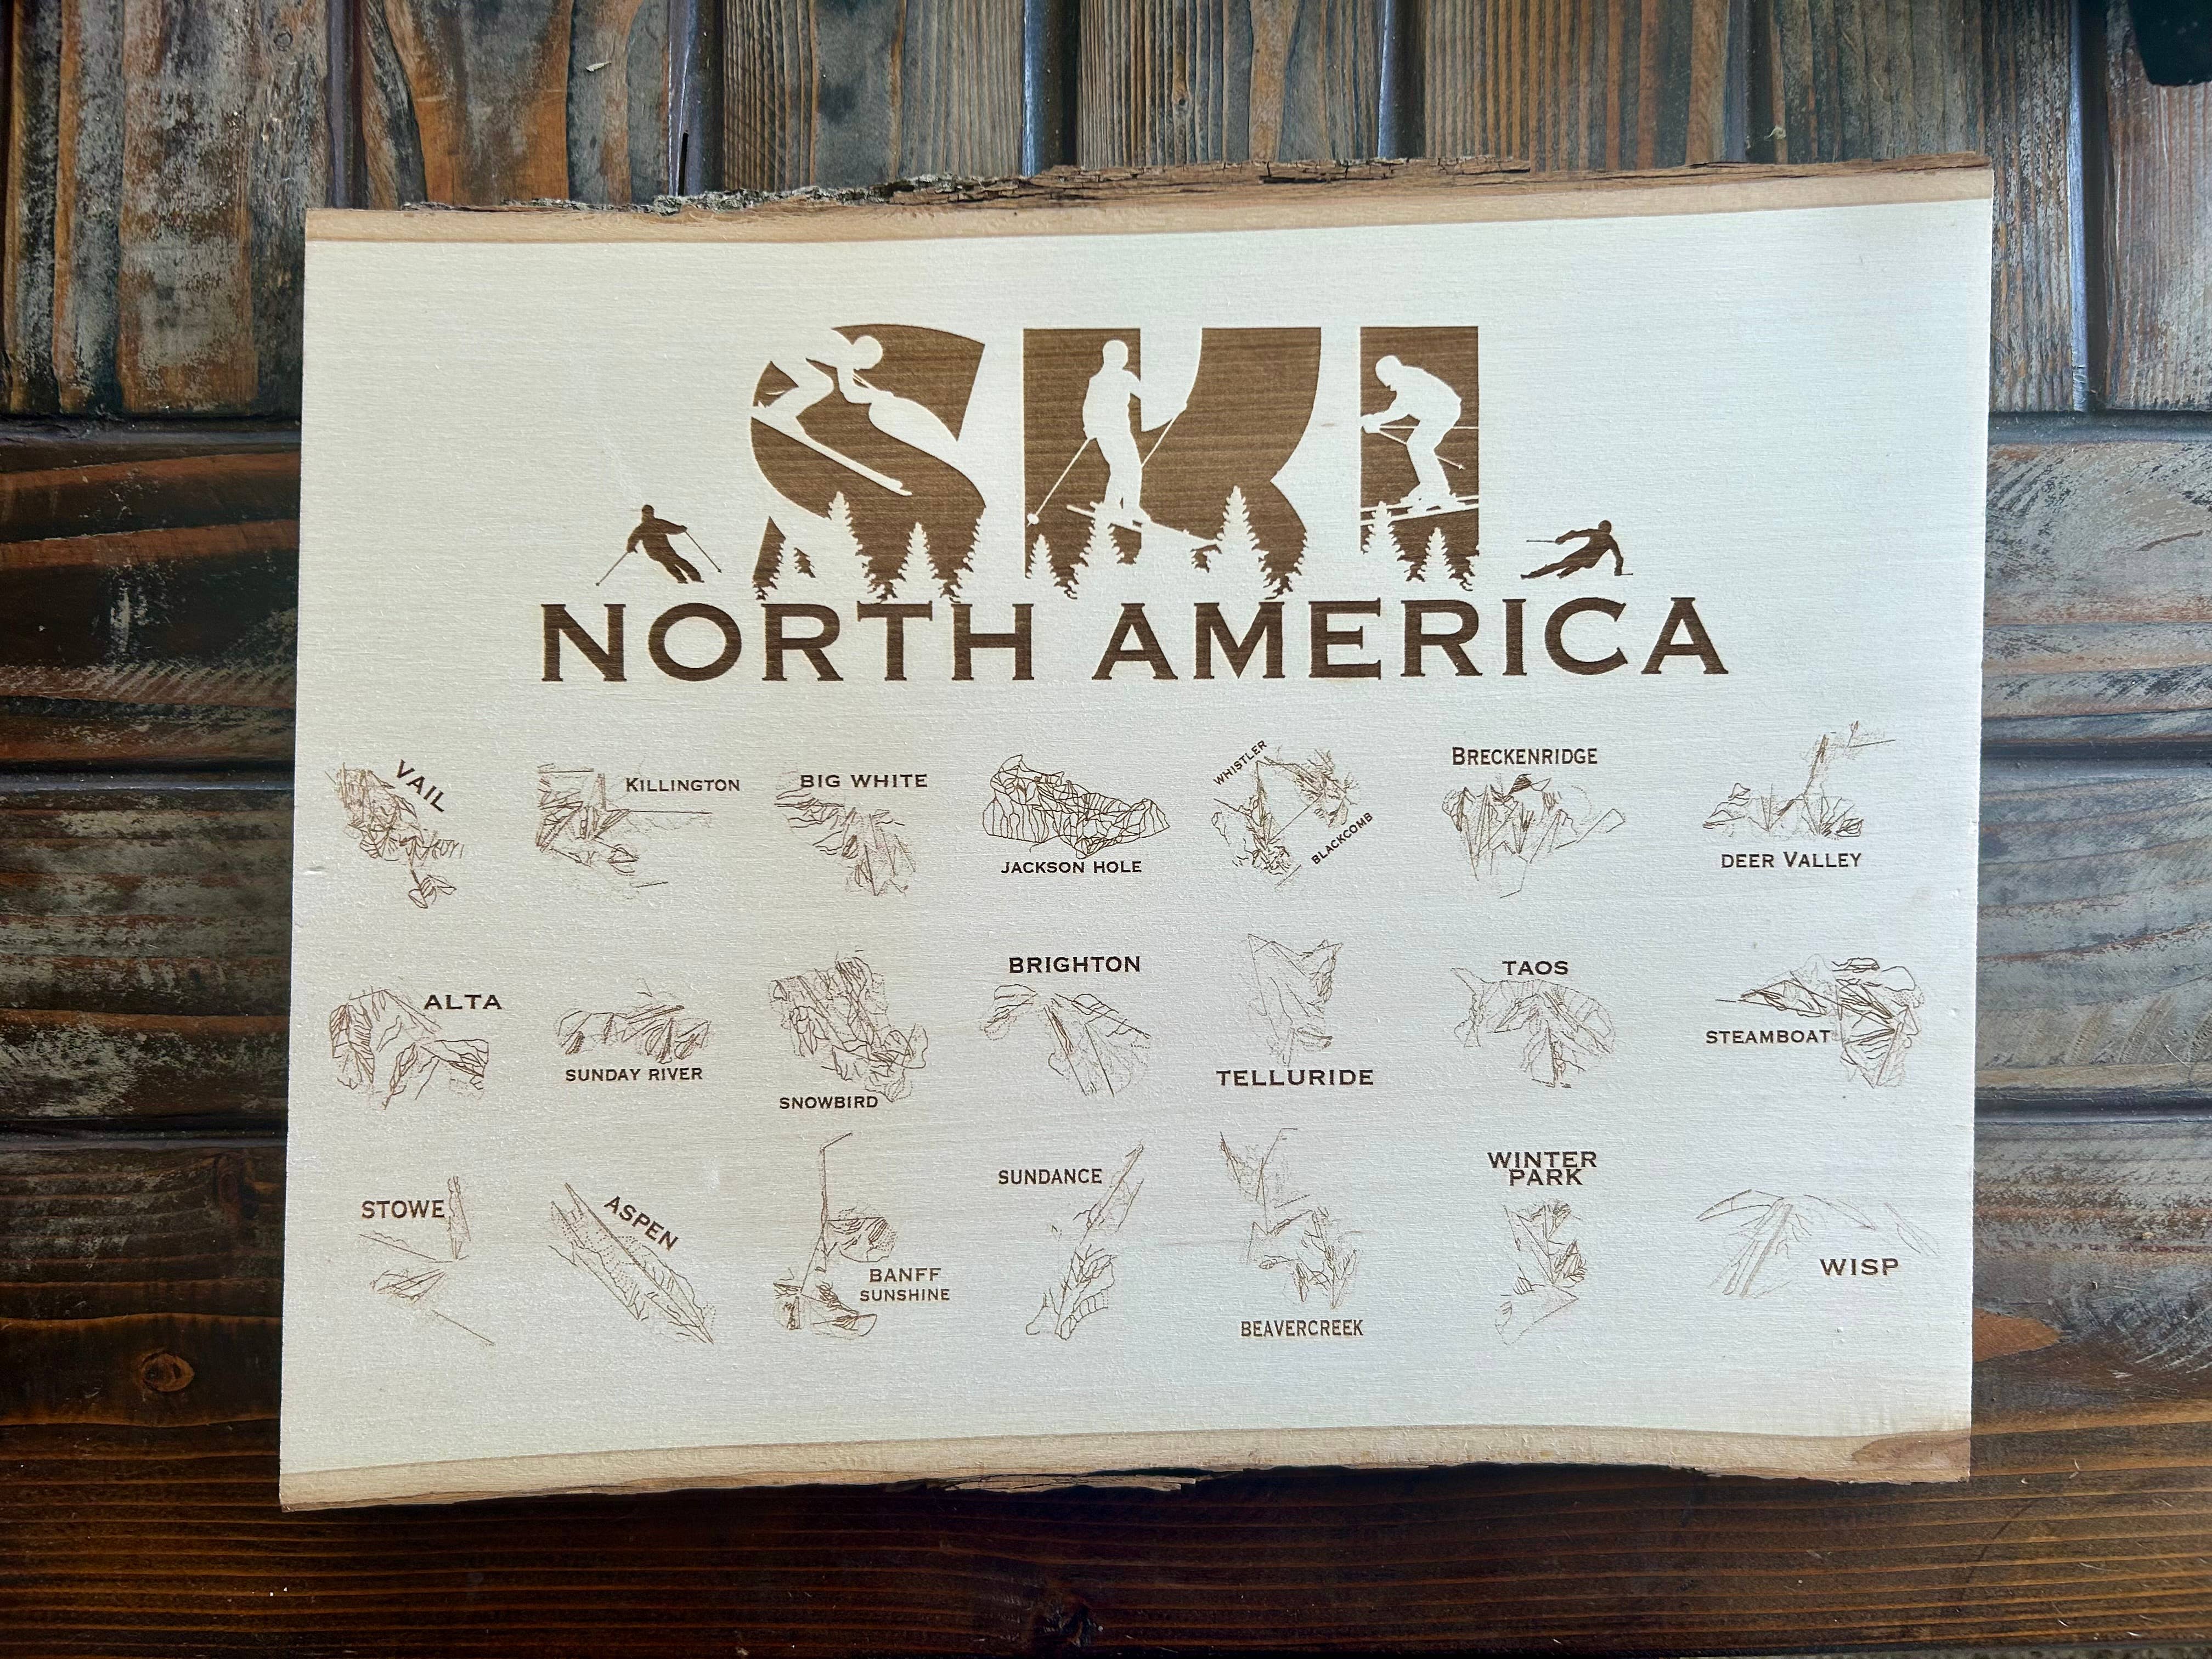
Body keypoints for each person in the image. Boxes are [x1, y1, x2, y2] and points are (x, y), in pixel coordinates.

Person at [1362, 355, 1463, 510]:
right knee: (1416, 445)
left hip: (1445, 412)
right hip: (1436, 414)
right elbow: (1400, 408)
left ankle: (1438, 491)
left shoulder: (1409, 381)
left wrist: (1375, 420)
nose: (1390, 388)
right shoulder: (1407, 377)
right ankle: (1430, 485)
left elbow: (1399, 410)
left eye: (1390, 382)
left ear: (1394, 373)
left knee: (1420, 447)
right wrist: (1375, 420)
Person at [1080, 339, 1148, 525]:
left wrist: (1089, 428)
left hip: (1103, 433)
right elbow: (1146, 395)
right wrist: (1173, 407)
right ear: (1121, 358)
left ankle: (1111, 504)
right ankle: (1131, 507)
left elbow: (1088, 407)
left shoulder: (1096, 381)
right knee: (1133, 467)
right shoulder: (1125, 377)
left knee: (1119, 468)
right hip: (1118, 432)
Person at [1524, 520, 1626, 579]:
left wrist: (1562, 539)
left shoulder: (1595, 533)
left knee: (1560, 565)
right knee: (1578, 565)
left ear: (1600, 527)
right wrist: (1618, 569)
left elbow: (1575, 534)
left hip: (1582, 556)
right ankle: (1563, 575)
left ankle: (1534, 575)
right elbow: (1619, 558)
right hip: (1591, 562)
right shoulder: (1611, 541)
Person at [629, 506, 702, 583]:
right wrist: (681, 529)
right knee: (677, 561)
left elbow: (633, 538)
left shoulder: (642, 528)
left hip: (654, 551)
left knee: (668, 563)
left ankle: (682, 579)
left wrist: (630, 547)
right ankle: (694, 578)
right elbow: (673, 529)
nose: (649, 514)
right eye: (649, 513)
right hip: (664, 549)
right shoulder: (658, 524)